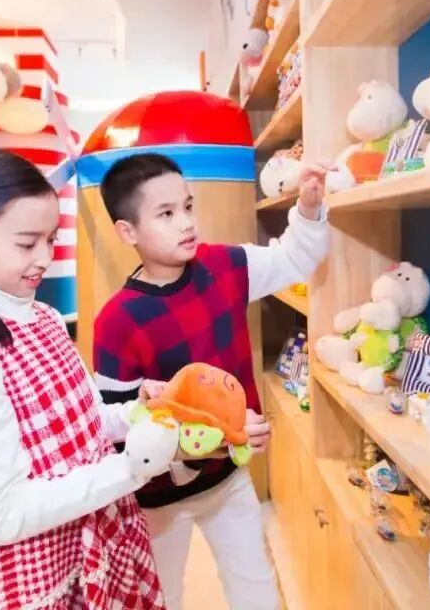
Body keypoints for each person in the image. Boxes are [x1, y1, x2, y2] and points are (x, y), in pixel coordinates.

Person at [0, 148, 173, 610]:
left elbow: (81, 426)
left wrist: (139, 414)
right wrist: (132, 468)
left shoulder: (45, 316)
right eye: (26, 244)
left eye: (51, 239)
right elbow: (5, 513)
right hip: (35, 568)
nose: (44, 258)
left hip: (97, 530)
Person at [94, 152, 329, 610]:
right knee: (162, 596)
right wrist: (193, 444)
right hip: (156, 496)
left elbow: (292, 260)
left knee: (256, 587)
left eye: (187, 206)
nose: (186, 222)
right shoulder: (117, 321)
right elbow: (115, 429)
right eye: (165, 214)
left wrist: (308, 208)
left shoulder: (224, 265)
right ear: (127, 231)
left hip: (229, 479)